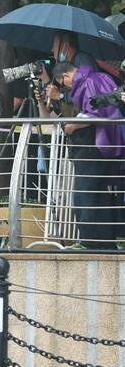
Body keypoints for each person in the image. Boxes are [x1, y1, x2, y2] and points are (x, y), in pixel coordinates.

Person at [52, 62, 123, 248]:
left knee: (85, 193)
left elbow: (93, 114)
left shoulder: (86, 82)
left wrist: (72, 125)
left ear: (64, 77)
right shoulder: (102, 77)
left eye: (64, 84)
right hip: (111, 142)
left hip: (93, 144)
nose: (67, 88)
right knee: (101, 193)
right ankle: (106, 242)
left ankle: (89, 241)